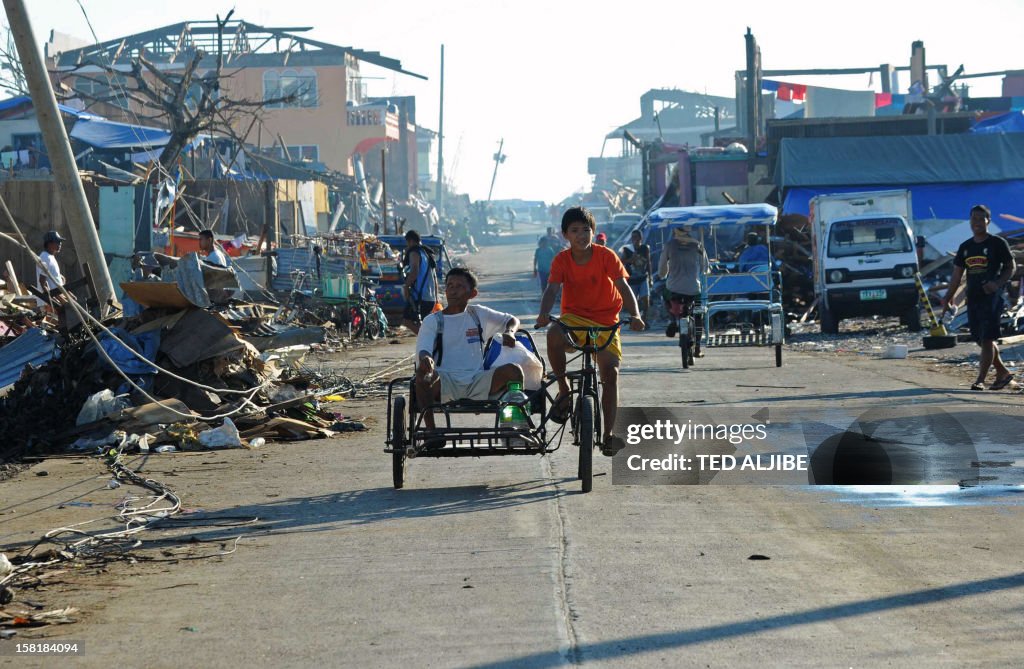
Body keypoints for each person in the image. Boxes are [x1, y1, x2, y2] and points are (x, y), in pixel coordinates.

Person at [537, 206, 645, 456]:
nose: (581, 235)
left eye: (586, 230)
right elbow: (552, 290)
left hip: (606, 321)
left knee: (611, 374)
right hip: (574, 320)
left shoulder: (606, 256)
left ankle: (608, 435)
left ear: (593, 232)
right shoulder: (561, 260)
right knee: (553, 332)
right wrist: (543, 314)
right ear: (566, 234)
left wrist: (636, 315)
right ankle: (564, 389)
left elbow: (623, 287)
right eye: (575, 231)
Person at [414, 268, 524, 434]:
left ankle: (511, 425)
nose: (453, 290)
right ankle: (431, 431)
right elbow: (424, 350)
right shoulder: (433, 320)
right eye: (450, 285)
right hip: (445, 380)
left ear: (472, 293)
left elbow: (512, 320)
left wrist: (510, 332)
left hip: (477, 379)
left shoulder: (477, 313)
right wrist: (427, 360)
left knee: (515, 372)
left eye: (459, 286)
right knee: (422, 375)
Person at [939, 204, 1017, 391]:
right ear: (970, 221)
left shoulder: (997, 243)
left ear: (988, 221)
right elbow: (956, 276)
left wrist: (997, 284)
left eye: (981, 219)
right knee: (981, 339)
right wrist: (948, 299)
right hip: (973, 299)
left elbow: (1010, 267)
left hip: (992, 297)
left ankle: (980, 380)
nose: (977, 223)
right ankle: (1003, 373)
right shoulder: (965, 247)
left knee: (988, 338)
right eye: (974, 219)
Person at [659, 225, 709, 349]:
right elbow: (705, 268)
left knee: (664, 294)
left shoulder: (670, 245)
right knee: (698, 314)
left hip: (674, 288)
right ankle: (697, 346)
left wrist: (663, 274)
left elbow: (661, 271)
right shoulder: (698, 245)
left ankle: (672, 319)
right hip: (693, 289)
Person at [401, 229, 438, 334]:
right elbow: (434, 277)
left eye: (407, 243)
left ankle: (428, 340)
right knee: (423, 322)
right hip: (430, 297)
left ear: (411, 241)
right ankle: (429, 341)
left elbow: (414, 272)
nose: (407, 246)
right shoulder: (427, 253)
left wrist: (406, 286)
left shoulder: (414, 252)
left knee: (407, 320)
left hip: (420, 296)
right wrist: (436, 297)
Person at [620, 229, 652, 325]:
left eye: (636, 237)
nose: (634, 239)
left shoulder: (645, 248)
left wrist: (650, 278)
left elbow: (648, 262)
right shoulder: (627, 249)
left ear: (640, 238)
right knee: (633, 301)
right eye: (633, 237)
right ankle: (635, 319)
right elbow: (621, 262)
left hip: (643, 278)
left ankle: (644, 319)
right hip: (632, 280)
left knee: (646, 299)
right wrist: (631, 259)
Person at [36, 230, 66, 308]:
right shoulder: (45, 257)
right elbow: (42, 281)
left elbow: (53, 278)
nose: (60, 244)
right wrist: (52, 301)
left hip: (56, 300)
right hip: (49, 304)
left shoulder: (50, 257)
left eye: (60, 242)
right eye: (57, 241)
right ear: (49, 243)